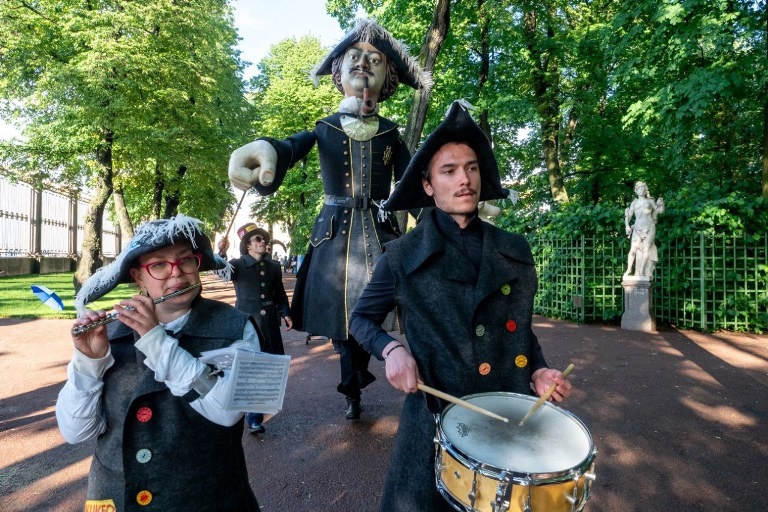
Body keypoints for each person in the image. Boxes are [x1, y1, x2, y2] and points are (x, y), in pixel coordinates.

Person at [349, 101, 573, 511]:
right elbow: (360, 320)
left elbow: (517, 328)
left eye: (471, 168)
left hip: (509, 420)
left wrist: (539, 369)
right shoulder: (402, 255)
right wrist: (392, 350)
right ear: (429, 185)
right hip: (434, 420)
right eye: (448, 171)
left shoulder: (514, 249)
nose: (464, 179)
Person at [227, 19, 432, 420]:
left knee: (370, 316)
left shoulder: (391, 133)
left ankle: (356, 380)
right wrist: (265, 152)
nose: (362, 63)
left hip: (379, 234)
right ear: (338, 71)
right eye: (354, 57)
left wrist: (450, 205)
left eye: (374, 59)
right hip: (334, 238)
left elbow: (416, 184)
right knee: (341, 327)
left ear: (388, 75)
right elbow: (287, 148)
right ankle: (352, 386)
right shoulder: (324, 127)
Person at [57, 214, 262, 511]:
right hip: (117, 496)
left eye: (186, 261)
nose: (177, 274)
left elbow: (228, 412)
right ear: (138, 276)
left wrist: (156, 341)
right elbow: (76, 432)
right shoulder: (109, 334)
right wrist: (89, 361)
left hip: (209, 496)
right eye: (159, 265)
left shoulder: (237, 327)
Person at [218, 223, 292, 434]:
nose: (263, 242)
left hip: (269, 324)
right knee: (249, 369)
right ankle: (252, 417)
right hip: (246, 325)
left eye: (264, 239)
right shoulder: (237, 265)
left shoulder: (274, 267)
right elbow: (222, 274)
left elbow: (279, 294)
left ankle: (256, 411)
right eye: (258, 239)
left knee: (269, 368)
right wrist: (221, 252)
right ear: (247, 245)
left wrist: (285, 313)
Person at [624, 181, 664, 278]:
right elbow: (628, 216)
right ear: (636, 191)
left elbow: (660, 211)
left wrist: (662, 205)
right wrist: (627, 226)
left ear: (646, 191)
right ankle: (629, 269)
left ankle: (641, 271)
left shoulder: (650, 201)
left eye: (643, 188)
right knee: (632, 250)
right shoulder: (634, 202)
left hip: (649, 227)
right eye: (639, 189)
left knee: (646, 248)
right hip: (637, 228)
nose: (642, 190)